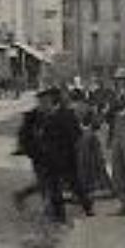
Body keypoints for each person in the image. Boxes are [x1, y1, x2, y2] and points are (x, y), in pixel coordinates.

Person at [41, 86, 92, 221]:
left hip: (61, 157)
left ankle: (68, 212)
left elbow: (75, 134)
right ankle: (79, 209)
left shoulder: (59, 115)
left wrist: (63, 146)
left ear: (53, 101)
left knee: (64, 184)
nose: (45, 103)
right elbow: (76, 133)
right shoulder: (59, 114)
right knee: (64, 184)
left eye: (48, 100)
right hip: (61, 156)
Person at [11, 89, 51, 214]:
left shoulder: (50, 113)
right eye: (43, 100)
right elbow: (23, 134)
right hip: (38, 153)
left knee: (46, 180)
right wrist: (25, 148)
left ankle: (22, 195)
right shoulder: (32, 116)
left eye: (48, 101)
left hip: (50, 152)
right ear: (39, 101)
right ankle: (47, 206)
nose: (46, 103)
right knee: (44, 179)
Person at [75, 106, 114, 200]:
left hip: (84, 160)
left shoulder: (81, 133)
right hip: (92, 160)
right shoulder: (91, 135)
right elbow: (98, 152)